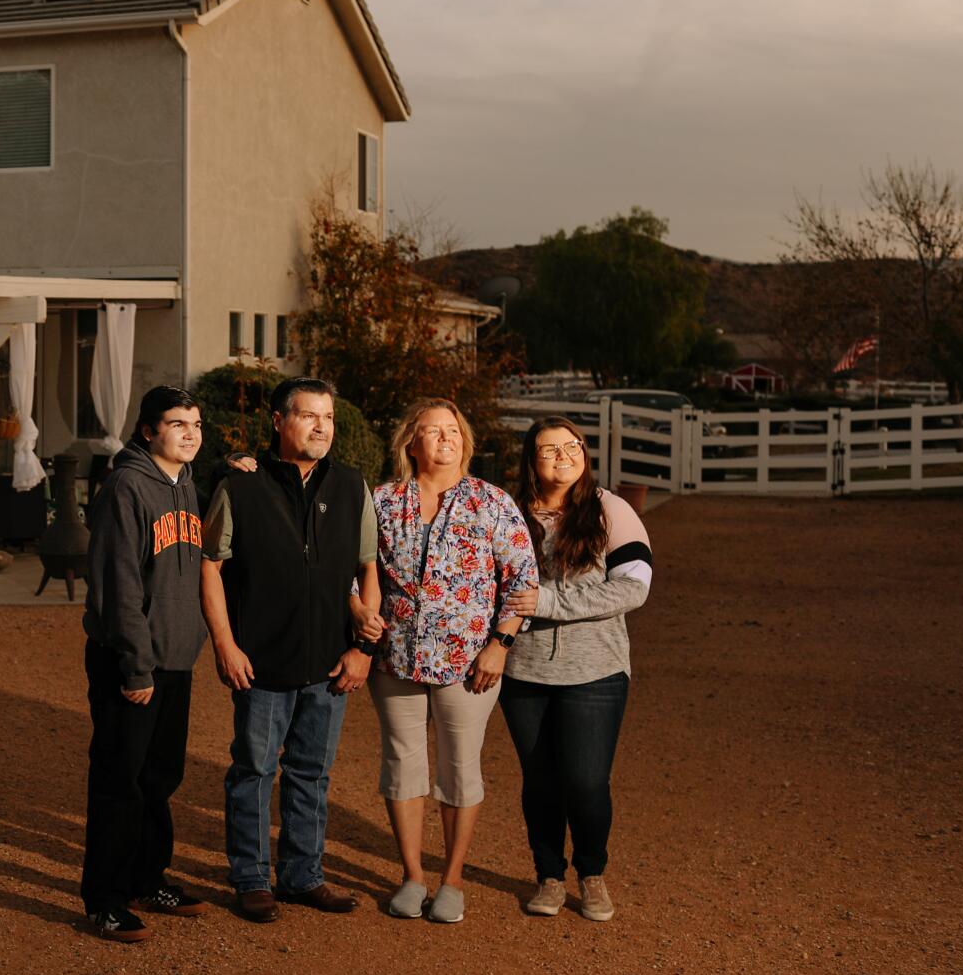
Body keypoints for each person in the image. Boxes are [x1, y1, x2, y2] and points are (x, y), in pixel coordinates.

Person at [202, 378, 384, 923]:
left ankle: (303, 877)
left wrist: (363, 649)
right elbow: (211, 566)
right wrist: (225, 645)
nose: (321, 426)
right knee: (254, 770)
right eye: (308, 416)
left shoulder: (352, 486)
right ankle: (252, 878)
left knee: (312, 773)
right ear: (279, 421)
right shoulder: (241, 486)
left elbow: (368, 567)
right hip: (260, 660)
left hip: (330, 662)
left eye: (327, 417)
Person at [369, 398, 539, 923]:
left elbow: (522, 580)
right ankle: (412, 876)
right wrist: (359, 610)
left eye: (453, 431)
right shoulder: (381, 501)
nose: (445, 439)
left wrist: (500, 644)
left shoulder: (492, 502)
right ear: (410, 442)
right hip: (395, 658)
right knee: (403, 764)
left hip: (471, 663)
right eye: (432, 430)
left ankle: (453, 880)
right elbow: (357, 569)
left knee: (460, 769)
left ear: (464, 440)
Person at [499, 416, 652, 923]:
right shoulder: (509, 512)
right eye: (549, 449)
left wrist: (548, 600)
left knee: (586, 781)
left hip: (597, 671)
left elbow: (633, 586)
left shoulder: (611, 509)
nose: (563, 456)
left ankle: (591, 873)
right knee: (540, 780)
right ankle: (548, 874)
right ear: (531, 459)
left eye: (572, 446)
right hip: (524, 671)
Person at [79, 384, 210, 943]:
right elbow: (119, 585)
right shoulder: (127, 488)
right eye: (177, 424)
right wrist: (136, 667)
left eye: (197, 425)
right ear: (148, 430)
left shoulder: (186, 485)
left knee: (159, 779)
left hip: (175, 658)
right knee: (119, 782)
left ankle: (146, 877)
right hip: (131, 662)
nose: (189, 434)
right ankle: (104, 899)